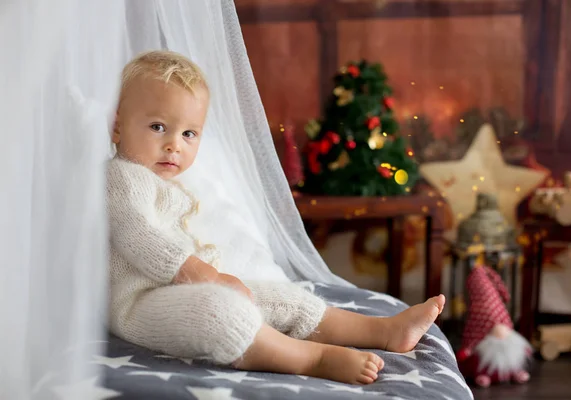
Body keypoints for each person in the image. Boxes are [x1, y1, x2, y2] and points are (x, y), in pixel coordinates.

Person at [107, 50, 446, 385]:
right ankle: (313, 358)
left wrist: (211, 276)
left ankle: (383, 330)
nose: (173, 145)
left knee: (280, 298)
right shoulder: (121, 177)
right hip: (137, 303)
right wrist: (203, 273)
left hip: (177, 287)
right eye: (158, 127)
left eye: (188, 134)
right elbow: (138, 237)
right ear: (117, 127)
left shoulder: (163, 180)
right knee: (218, 312)